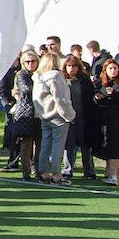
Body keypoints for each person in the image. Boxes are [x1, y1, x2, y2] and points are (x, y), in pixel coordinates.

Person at [32, 51, 75, 185]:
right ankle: (56, 174)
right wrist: (69, 114)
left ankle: (43, 172)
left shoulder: (38, 77)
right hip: (57, 115)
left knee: (45, 144)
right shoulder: (56, 76)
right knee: (58, 145)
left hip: (44, 114)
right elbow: (61, 98)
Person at [94, 58, 119, 185]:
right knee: (107, 146)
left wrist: (115, 94)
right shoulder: (100, 83)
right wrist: (97, 98)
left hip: (118, 119)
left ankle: (113, 175)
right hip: (104, 119)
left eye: (115, 68)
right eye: (110, 68)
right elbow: (95, 100)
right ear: (105, 70)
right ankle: (116, 173)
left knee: (115, 146)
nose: (113, 71)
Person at [7, 49, 43, 181]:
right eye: (27, 61)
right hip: (26, 112)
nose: (30, 64)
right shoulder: (22, 75)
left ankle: (38, 169)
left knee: (39, 144)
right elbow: (26, 90)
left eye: (33, 61)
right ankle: (26, 171)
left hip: (40, 112)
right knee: (26, 143)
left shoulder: (41, 74)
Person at [62, 54, 98, 180]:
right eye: (69, 66)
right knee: (69, 145)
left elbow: (91, 98)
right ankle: (67, 169)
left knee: (86, 145)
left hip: (84, 117)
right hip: (68, 118)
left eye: (74, 66)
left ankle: (88, 170)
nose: (71, 69)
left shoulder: (85, 80)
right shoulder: (62, 80)